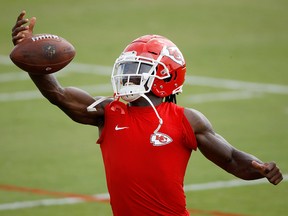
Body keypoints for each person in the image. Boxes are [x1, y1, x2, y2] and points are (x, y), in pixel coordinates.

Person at [11, 10, 283, 216]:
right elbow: (57, 95)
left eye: (137, 69)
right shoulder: (108, 111)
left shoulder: (187, 119)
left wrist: (260, 168)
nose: (128, 76)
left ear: (166, 75)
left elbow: (233, 159)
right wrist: (30, 56)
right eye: (127, 68)